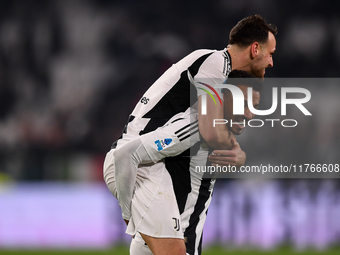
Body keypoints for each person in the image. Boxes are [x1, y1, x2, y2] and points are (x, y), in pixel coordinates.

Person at [104, 14, 277, 254]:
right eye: (271, 53)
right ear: (255, 48)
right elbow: (206, 127)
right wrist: (127, 213)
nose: (271, 62)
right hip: (139, 161)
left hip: (151, 160)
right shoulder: (216, 62)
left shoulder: (217, 83)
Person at [107, 70, 263, 255]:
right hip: (167, 241)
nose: (249, 114)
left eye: (254, 107)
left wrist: (239, 156)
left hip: (180, 242)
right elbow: (125, 154)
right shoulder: (194, 127)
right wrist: (127, 215)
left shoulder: (220, 135)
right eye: (243, 104)